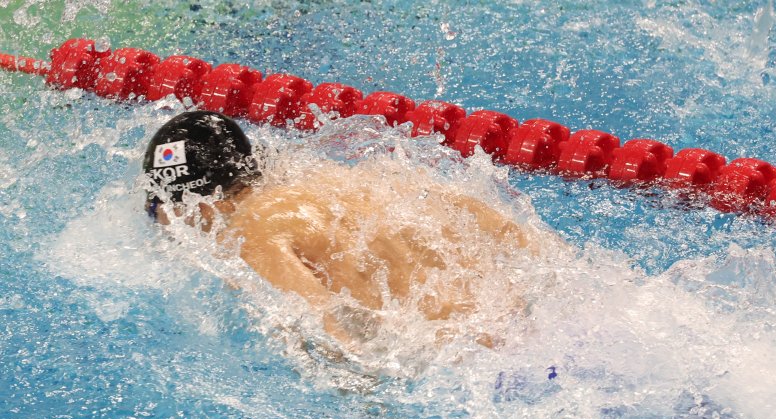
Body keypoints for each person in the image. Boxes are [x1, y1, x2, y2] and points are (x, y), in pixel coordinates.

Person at [143, 111, 543, 349]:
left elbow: (334, 335)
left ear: (197, 204)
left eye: (160, 209)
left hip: (475, 366)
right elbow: (519, 237)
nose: (165, 223)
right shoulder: (356, 180)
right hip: (538, 329)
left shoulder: (256, 230)